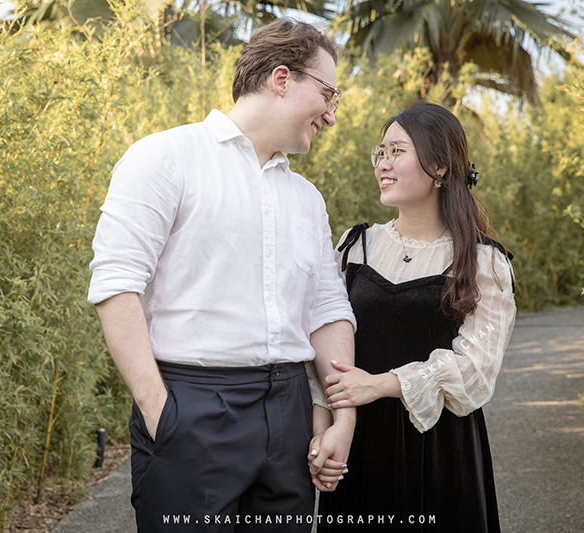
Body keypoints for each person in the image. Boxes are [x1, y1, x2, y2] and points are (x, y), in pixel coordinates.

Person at [87, 19, 356, 533]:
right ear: (282, 78)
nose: (332, 115)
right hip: (192, 408)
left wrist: (341, 417)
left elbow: (325, 309)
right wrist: (159, 410)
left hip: (290, 414)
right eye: (329, 94)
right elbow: (116, 284)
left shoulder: (307, 199)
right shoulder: (164, 157)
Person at [316, 102, 516, 532]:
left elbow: (477, 369)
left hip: (440, 451)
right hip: (359, 440)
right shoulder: (354, 247)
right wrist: (324, 427)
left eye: (397, 152)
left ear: (440, 167)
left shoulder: (483, 262)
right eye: (381, 152)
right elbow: (320, 339)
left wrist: (380, 384)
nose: (383, 164)